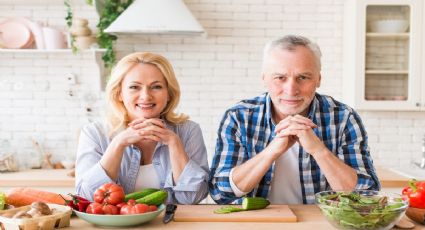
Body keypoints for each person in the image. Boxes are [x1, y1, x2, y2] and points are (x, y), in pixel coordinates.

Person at [209, 35, 380, 204]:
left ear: (318, 79)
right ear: (264, 78)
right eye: (280, 77)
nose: (291, 90)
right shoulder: (239, 117)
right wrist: (271, 152)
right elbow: (220, 193)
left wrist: (318, 150)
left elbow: (366, 196)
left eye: (303, 77)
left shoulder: (343, 118)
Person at [76, 52, 209, 204]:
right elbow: (86, 197)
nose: (145, 96)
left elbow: (193, 198)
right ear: (119, 93)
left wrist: (174, 144)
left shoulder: (188, 131)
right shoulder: (94, 133)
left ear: (169, 94)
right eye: (134, 87)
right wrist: (118, 144)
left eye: (156, 87)